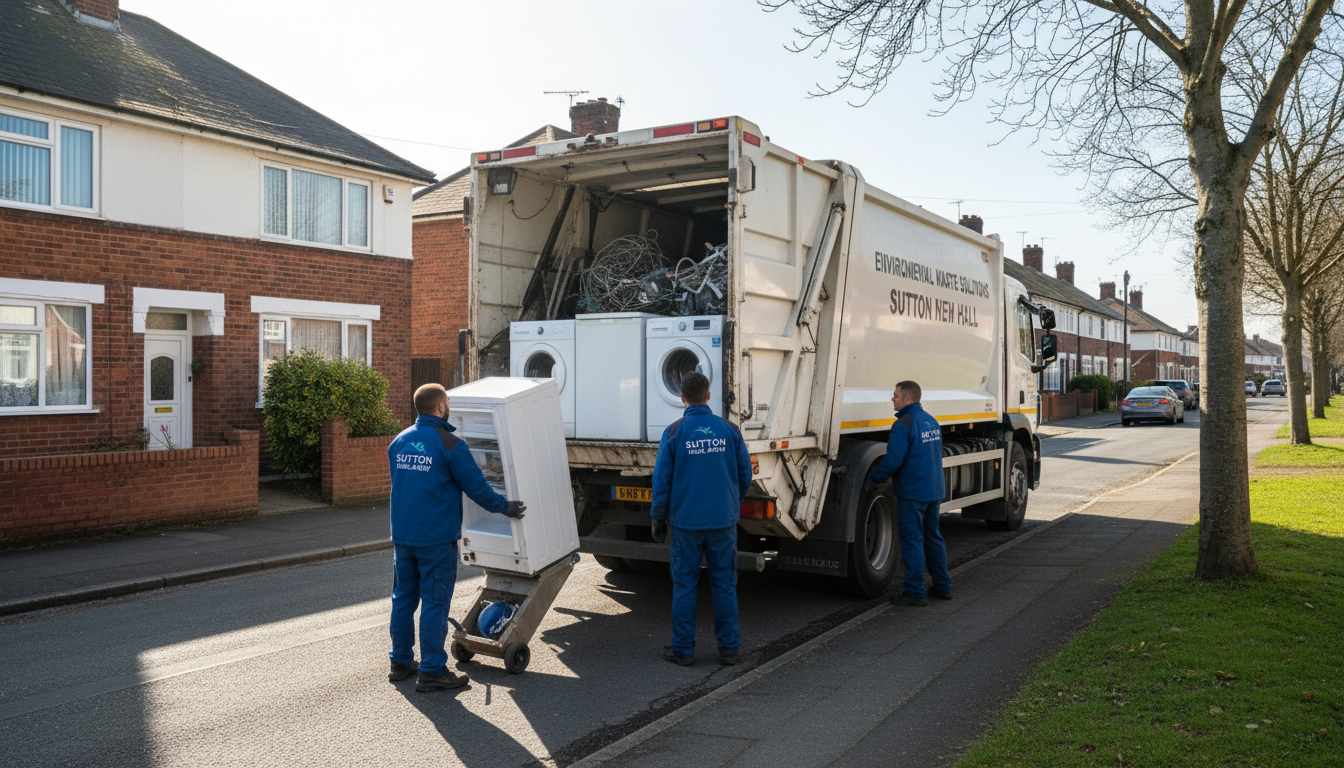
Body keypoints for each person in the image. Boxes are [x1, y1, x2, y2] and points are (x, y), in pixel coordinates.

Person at [386, 383, 526, 692]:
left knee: (403, 599)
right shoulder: (450, 444)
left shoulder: (398, 442)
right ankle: (432, 670)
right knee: (434, 604)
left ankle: (399, 663)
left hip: (403, 537)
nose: (449, 406)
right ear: (440, 407)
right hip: (435, 539)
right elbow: (477, 489)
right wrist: (507, 508)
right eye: (447, 402)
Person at [650, 371, 754, 666]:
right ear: (709, 396)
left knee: (684, 585)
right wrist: (730, 503)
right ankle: (729, 649)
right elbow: (745, 474)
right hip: (723, 523)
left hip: (686, 524)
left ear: (682, 398)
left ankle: (683, 650)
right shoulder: (730, 430)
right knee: (724, 585)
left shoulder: (673, 432)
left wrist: (658, 518)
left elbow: (662, 482)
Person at [866, 380, 952, 606]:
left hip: (912, 494)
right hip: (933, 491)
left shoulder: (903, 425)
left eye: (895, 395)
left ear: (907, 399)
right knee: (934, 538)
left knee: (913, 541)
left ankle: (916, 593)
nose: (891, 399)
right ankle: (943, 587)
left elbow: (893, 460)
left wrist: (874, 479)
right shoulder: (932, 421)